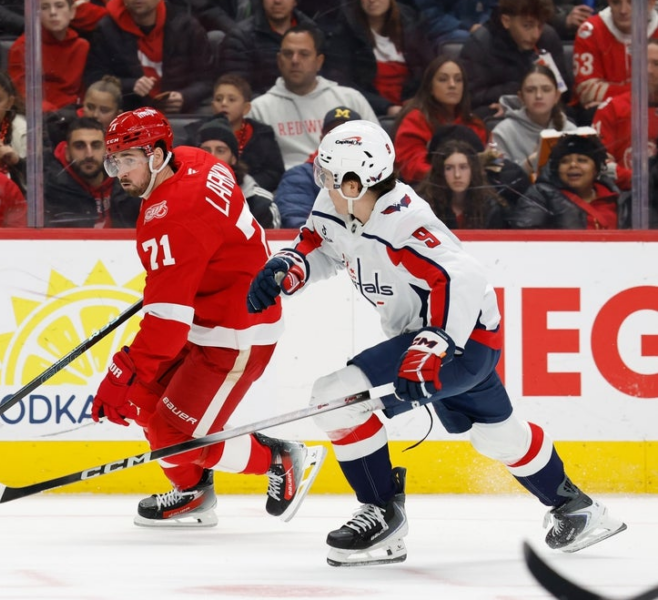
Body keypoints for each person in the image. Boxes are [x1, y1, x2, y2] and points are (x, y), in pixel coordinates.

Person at [246, 119, 626, 566]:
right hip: (454, 341)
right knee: (496, 436)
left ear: (355, 181)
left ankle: (382, 514)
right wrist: (289, 267)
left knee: (335, 398)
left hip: (457, 343)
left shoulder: (404, 223)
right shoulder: (336, 204)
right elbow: (321, 243)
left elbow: (463, 277)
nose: (322, 181)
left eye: (329, 174)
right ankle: (577, 508)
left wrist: (431, 346)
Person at [91, 106, 324, 527]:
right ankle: (193, 492)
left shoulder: (171, 218)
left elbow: (166, 328)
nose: (119, 172)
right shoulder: (195, 159)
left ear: (157, 155)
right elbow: (210, 242)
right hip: (211, 314)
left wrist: (123, 371)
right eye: (115, 161)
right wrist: (177, 278)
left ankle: (278, 458)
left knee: (171, 436)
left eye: (128, 159)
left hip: (236, 332)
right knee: (144, 403)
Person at [248, 25, 378, 170]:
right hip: (286, 181)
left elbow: (379, 149)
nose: (295, 60)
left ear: (319, 61)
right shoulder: (259, 109)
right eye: (288, 54)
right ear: (279, 60)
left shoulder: (350, 99)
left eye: (304, 54)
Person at [83, 0, 214, 114]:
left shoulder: (186, 26)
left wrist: (185, 97)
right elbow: (94, 77)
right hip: (129, 111)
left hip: (180, 113)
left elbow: (207, 79)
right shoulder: (106, 29)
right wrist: (131, 85)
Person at [321, 0, 435, 118]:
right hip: (370, 112)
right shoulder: (345, 31)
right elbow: (343, 83)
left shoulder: (410, 23)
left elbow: (428, 70)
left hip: (413, 107)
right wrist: (386, 107)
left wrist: (416, 100)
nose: (372, 1)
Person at [459, 0, 573, 118]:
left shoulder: (548, 37)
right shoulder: (480, 43)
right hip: (500, 113)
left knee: (568, 116)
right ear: (506, 21)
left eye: (540, 26)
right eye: (527, 26)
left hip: (542, 110)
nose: (535, 35)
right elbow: (471, 97)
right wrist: (518, 90)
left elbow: (565, 93)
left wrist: (550, 83)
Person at [393, 55, 487, 185]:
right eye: (443, 79)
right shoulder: (415, 120)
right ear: (430, 87)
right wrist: (451, 176)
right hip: (427, 190)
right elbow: (412, 166)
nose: (452, 85)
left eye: (458, 80)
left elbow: (486, 161)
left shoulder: (474, 123)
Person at [184, 74, 285, 192]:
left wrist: (244, 186)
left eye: (231, 99)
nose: (224, 103)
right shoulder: (197, 133)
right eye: (218, 99)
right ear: (212, 106)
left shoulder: (261, 134)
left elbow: (274, 173)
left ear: (246, 108)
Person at [510, 132, 632, 229]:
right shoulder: (540, 196)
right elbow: (526, 240)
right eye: (565, 161)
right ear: (557, 169)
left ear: (596, 169)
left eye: (582, 160)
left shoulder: (616, 198)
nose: (573, 165)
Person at [44, 116, 139, 227]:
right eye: (79, 146)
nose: (89, 154)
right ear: (67, 153)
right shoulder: (50, 192)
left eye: (96, 146)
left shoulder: (129, 184)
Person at [274, 106, 359, 228]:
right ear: (321, 139)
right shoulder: (299, 176)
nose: (341, 141)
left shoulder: (379, 175)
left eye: (350, 135)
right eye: (333, 134)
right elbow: (295, 220)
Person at [591, 38, 658, 190]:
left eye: (657, 64)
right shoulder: (612, 109)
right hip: (623, 195)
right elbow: (599, 162)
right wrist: (638, 180)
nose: (648, 70)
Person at [218, 0, 320, 96]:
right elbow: (236, 92)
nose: (277, 1)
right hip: (260, 106)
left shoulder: (314, 33)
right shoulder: (240, 37)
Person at [196, 116, 281, 229]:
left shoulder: (260, 203)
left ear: (233, 158)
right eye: (205, 151)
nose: (212, 156)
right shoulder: (183, 197)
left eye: (220, 151)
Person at [572, 0, 658, 111]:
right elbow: (587, 90)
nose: (623, 10)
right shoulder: (589, 30)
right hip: (605, 112)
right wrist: (649, 93)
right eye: (616, 2)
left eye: (631, 3)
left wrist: (614, 99)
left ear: (651, 3)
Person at [492, 64, 577, 175]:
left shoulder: (571, 130)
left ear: (557, 96)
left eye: (546, 90)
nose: (538, 96)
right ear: (521, 97)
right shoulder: (501, 133)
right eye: (530, 90)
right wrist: (529, 164)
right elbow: (493, 176)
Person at [8, 0, 89, 112]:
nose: (53, 12)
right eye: (45, 7)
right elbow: (22, 92)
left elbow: (86, 93)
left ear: (72, 12)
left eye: (59, 6)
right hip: (40, 114)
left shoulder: (82, 46)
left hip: (75, 113)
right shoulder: (24, 46)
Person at [416, 139, 511, 228]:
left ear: (473, 170)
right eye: (449, 168)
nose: (457, 175)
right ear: (440, 172)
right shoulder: (425, 206)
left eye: (463, 167)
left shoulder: (489, 207)